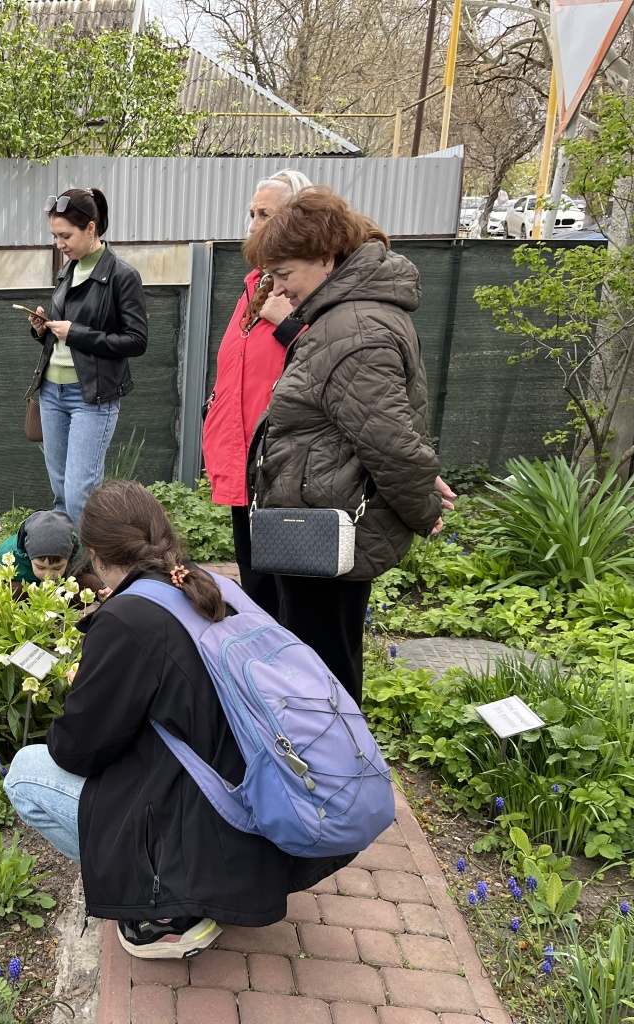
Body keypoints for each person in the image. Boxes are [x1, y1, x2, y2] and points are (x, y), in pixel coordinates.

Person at [4, 481, 351, 960]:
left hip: (214, 832)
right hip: (272, 808)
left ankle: (165, 908)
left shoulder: (128, 618)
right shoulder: (207, 585)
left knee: (26, 774)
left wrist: (93, 682)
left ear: (98, 556)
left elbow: (76, 750)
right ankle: (194, 885)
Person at [242, 186, 454, 705]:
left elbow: (391, 443)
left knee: (323, 667)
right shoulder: (349, 316)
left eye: (286, 272)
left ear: (326, 256)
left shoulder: (353, 329)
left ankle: (334, 773)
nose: (279, 287)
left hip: (327, 524)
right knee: (322, 654)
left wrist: (422, 507)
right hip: (322, 515)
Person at [201, 169, 312, 616]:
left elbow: (326, 359)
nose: (251, 225)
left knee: (284, 590)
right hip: (244, 456)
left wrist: (285, 321)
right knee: (254, 577)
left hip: (283, 463)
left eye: (264, 214)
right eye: (251, 213)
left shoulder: (305, 291)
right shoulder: (253, 284)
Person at [26, 188, 147, 526]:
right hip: (52, 392)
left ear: (91, 229)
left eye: (65, 235)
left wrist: (75, 332)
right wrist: (42, 329)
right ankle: (64, 566)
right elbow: (62, 337)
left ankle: (86, 567)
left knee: (81, 493)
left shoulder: (122, 276)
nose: (59, 244)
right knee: (61, 489)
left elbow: (136, 341)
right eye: (54, 236)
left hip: (91, 397)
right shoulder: (67, 271)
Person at [0, 509, 104, 597]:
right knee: (9, 589)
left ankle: (62, 613)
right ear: (29, 555)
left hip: (61, 588)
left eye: (57, 568)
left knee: (92, 583)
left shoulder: (78, 551)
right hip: (27, 591)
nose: (48, 576)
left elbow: (98, 571)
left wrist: (105, 591)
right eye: (41, 567)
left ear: (69, 555)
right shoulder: (8, 555)